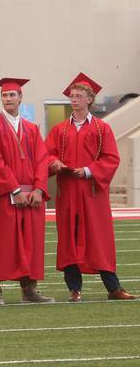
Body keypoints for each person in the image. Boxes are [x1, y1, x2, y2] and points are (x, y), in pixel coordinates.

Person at [46, 72, 136, 302]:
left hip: (92, 192)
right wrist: (54, 163)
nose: (73, 99)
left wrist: (88, 171)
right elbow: (46, 155)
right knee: (69, 239)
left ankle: (113, 288)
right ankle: (74, 289)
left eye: (78, 96)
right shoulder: (60, 130)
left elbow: (111, 158)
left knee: (99, 238)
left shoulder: (101, 128)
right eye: (72, 96)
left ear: (89, 99)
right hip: (68, 191)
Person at [0, 78, 54, 305]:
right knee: (1, 241)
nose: (8, 99)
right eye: (5, 95)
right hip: (5, 195)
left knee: (30, 242)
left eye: (12, 95)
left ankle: (29, 289)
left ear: (21, 98)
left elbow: (42, 160)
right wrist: (14, 189)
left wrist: (40, 189)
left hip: (31, 196)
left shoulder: (32, 129)